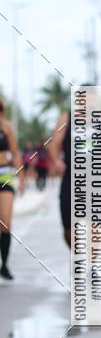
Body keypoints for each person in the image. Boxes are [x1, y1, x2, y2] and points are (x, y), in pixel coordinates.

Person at [48, 109, 101, 248]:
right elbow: (54, 144)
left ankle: (91, 258)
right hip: (71, 178)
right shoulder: (66, 118)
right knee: (69, 229)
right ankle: (78, 253)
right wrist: (56, 161)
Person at [0, 100, 23, 280]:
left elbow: (15, 153)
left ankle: (4, 265)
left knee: (5, 221)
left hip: (4, 175)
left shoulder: (6, 127)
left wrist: (21, 177)